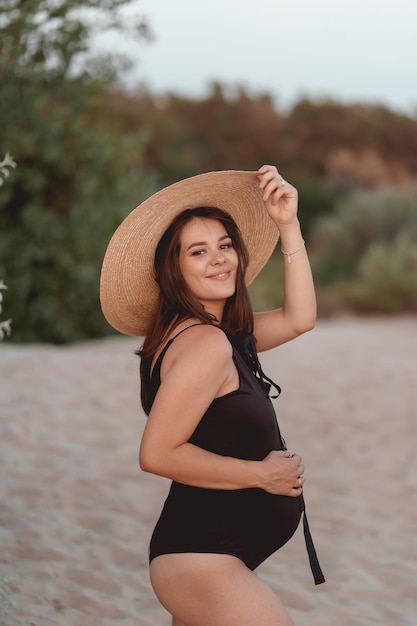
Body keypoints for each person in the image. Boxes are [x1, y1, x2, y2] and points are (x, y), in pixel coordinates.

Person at [100, 164, 324, 626]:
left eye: (224, 246)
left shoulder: (220, 333)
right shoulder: (204, 344)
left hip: (215, 554)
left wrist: (287, 224)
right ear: (174, 270)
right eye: (198, 252)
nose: (219, 259)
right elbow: (157, 453)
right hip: (201, 555)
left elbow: (300, 318)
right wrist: (261, 477)